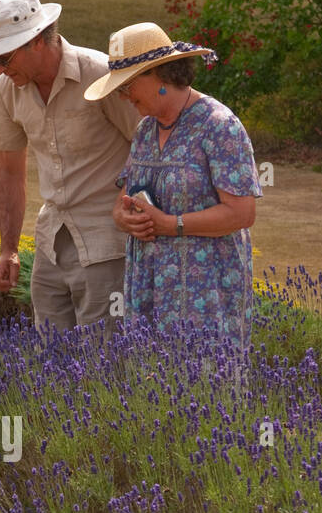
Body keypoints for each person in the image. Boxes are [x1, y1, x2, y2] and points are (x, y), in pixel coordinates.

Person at [0, 0, 140, 332]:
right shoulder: (6, 88)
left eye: (4, 58)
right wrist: (8, 250)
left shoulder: (101, 73)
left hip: (109, 244)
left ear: (37, 41)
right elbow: (9, 172)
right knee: (52, 366)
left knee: (104, 364)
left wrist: (128, 203)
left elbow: (148, 145)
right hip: (51, 243)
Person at [85, 21, 261, 348]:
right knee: (153, 386)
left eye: (128, 85)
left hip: (206, 293)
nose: (123, 95)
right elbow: (124, 197)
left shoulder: (219, 127)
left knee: (206, 387)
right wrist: (123, 218)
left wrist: (172, 225)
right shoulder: (144, 131)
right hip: (147, 288)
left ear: (160, 77)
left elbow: (242, 213)